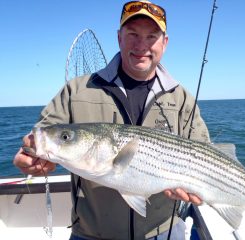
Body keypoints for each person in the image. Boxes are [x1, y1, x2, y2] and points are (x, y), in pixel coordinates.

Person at [13, 1, 210, 239]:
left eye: (151, 36)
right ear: (119, 38)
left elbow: (206, 156)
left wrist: (196, 186)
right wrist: (31, 155)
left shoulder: (182, 99)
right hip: (91, 233)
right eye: (133, 34)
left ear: (164, 43)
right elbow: (42, 132)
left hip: (163, 231)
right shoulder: (76, 91)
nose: (141, 45)